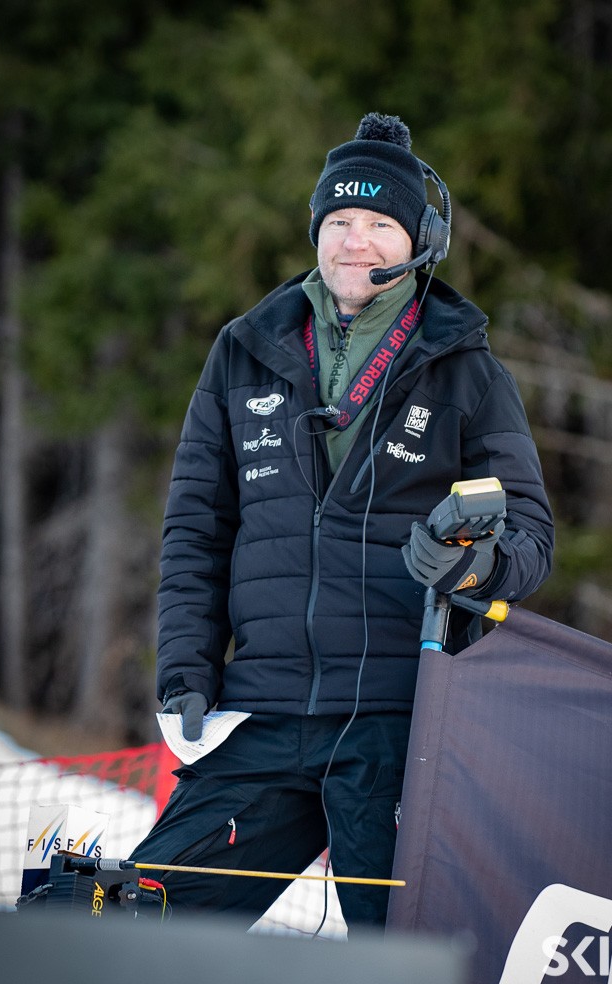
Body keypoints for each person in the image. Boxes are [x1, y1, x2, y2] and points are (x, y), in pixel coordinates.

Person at [130, 112, 554, 932]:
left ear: (419, 243)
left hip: (401, 724)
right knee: (136, 925)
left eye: (379, 224)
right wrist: (185, 671)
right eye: (338, 221)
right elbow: (195, 533)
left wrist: (470, 566)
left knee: (401, 966)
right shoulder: (243, 350)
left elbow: (530, 538)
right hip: (261, 711)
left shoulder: (467, 371)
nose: (354, 241)